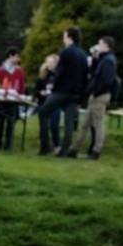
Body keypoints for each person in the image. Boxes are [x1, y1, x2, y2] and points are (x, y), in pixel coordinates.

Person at [38, 27, 89, 158]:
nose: (63, 40)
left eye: (64, 37)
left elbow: (60, 72)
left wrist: (53, 87)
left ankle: (45, 146)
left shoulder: (66, 52)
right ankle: (65, 150)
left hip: (62, 91)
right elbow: (85, 76)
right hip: (75, 93)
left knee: (43, 113)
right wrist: (81, 96)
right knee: (69, 122)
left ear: (70, 37)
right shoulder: (83, 55)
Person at [77, 36, 119, 160]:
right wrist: (95, 58)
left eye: (100, 44)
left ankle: (96, 151)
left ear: (106, 46)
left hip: (100, 95)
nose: (98, 47)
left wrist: (96, 91)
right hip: (96, 94)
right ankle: (75, 148)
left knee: (98, 124)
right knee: (86, 123)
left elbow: (106, 80)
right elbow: (95, 72)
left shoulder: (108, 61)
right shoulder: (104, 59)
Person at [0, 47, 26, 151]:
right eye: (17, 57)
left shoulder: (20, 71)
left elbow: (22, 87)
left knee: (11, 123)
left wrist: (19, 95)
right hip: (1, 100)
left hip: (13, 101)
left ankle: (8, 145)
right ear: (10, 56)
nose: (18, 59)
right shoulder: (0, 70)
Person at [34, 54, 61, 155]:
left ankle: (57, 145)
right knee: (44, 125)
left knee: (54, 124)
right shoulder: (42, 76)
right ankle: (44, 146)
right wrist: (41, 93)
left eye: (52, 62)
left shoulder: (59, 76)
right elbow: (36, 91)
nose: (49, 64)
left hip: (55, 103)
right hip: (43, 103)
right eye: (48, 62)